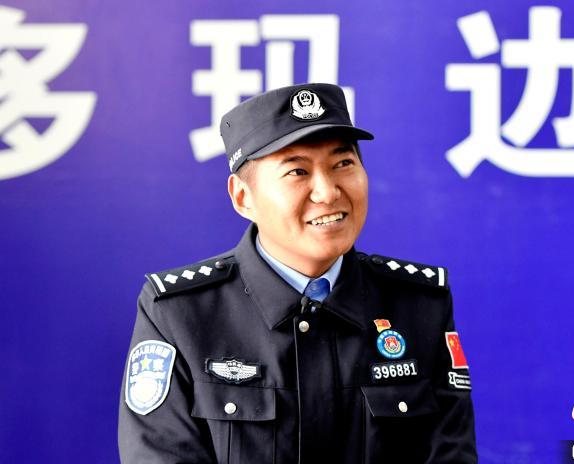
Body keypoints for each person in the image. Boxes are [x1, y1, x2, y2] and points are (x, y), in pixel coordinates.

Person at [118, 83, 477, 463]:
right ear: (243, 197)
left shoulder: (419, 304)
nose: (327, 192)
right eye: (297, 171)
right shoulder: (180, 313)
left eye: (343, 164)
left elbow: (451, 455)